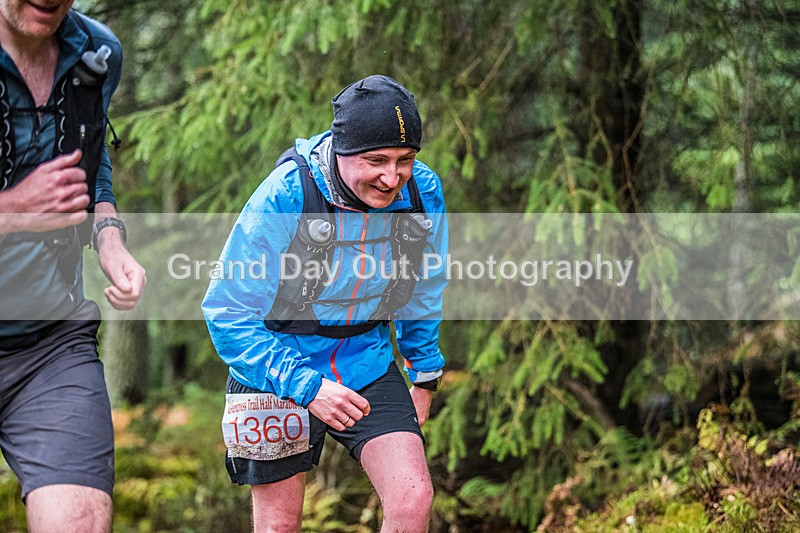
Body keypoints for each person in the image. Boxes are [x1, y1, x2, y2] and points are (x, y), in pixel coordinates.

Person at [202, 74, 448, 532]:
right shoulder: (285, 194)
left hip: (366, 361)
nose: (391, 177)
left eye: (405, 160)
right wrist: (307, 387)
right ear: (342, 152)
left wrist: (425, 372)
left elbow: (424, 285)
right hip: (275, 367)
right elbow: (226, 311)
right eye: (376, 160)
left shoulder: (422, 192)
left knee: (413, 499)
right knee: (279, 524)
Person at [0, 2, 145, 532]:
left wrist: (109, 238)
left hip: (50, 345)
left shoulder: (97, 53)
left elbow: (90, 159)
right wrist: (14, 210)